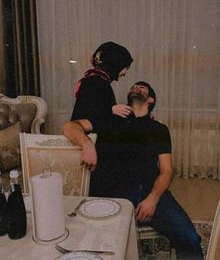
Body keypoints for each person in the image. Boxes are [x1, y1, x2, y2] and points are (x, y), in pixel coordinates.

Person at [63, 81, 203, 260]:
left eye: (141, 87)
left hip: (147, 190)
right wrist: (86, 143)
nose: (135, 88)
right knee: (90, 243)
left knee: (189, 238)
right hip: (110, 192)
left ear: (150, 99)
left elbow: (167, 171)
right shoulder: (109, 119)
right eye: (133, 87)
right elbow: (69, 127)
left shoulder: (158, 129)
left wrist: (153, 199)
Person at [71, 41, 134, 125]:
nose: (125, 73)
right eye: (125, 68)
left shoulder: (95, 80)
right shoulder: (96, 82)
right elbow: (86, 113)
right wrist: (111, 110)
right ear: (115, 65)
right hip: (88, 136)